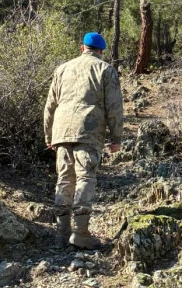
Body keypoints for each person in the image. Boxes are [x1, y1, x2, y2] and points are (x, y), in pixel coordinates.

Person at [43, 32, 124, 249]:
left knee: (64, 179)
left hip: (62, 130)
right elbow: (115, 106)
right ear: (101, 51)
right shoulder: (105, 70)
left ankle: (61, 234)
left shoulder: (62, 69)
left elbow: (50, 105)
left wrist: (49, 135)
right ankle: (80, 234)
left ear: (82, 48)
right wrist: (116, 137)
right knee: (85, 177)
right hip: (89, 130)